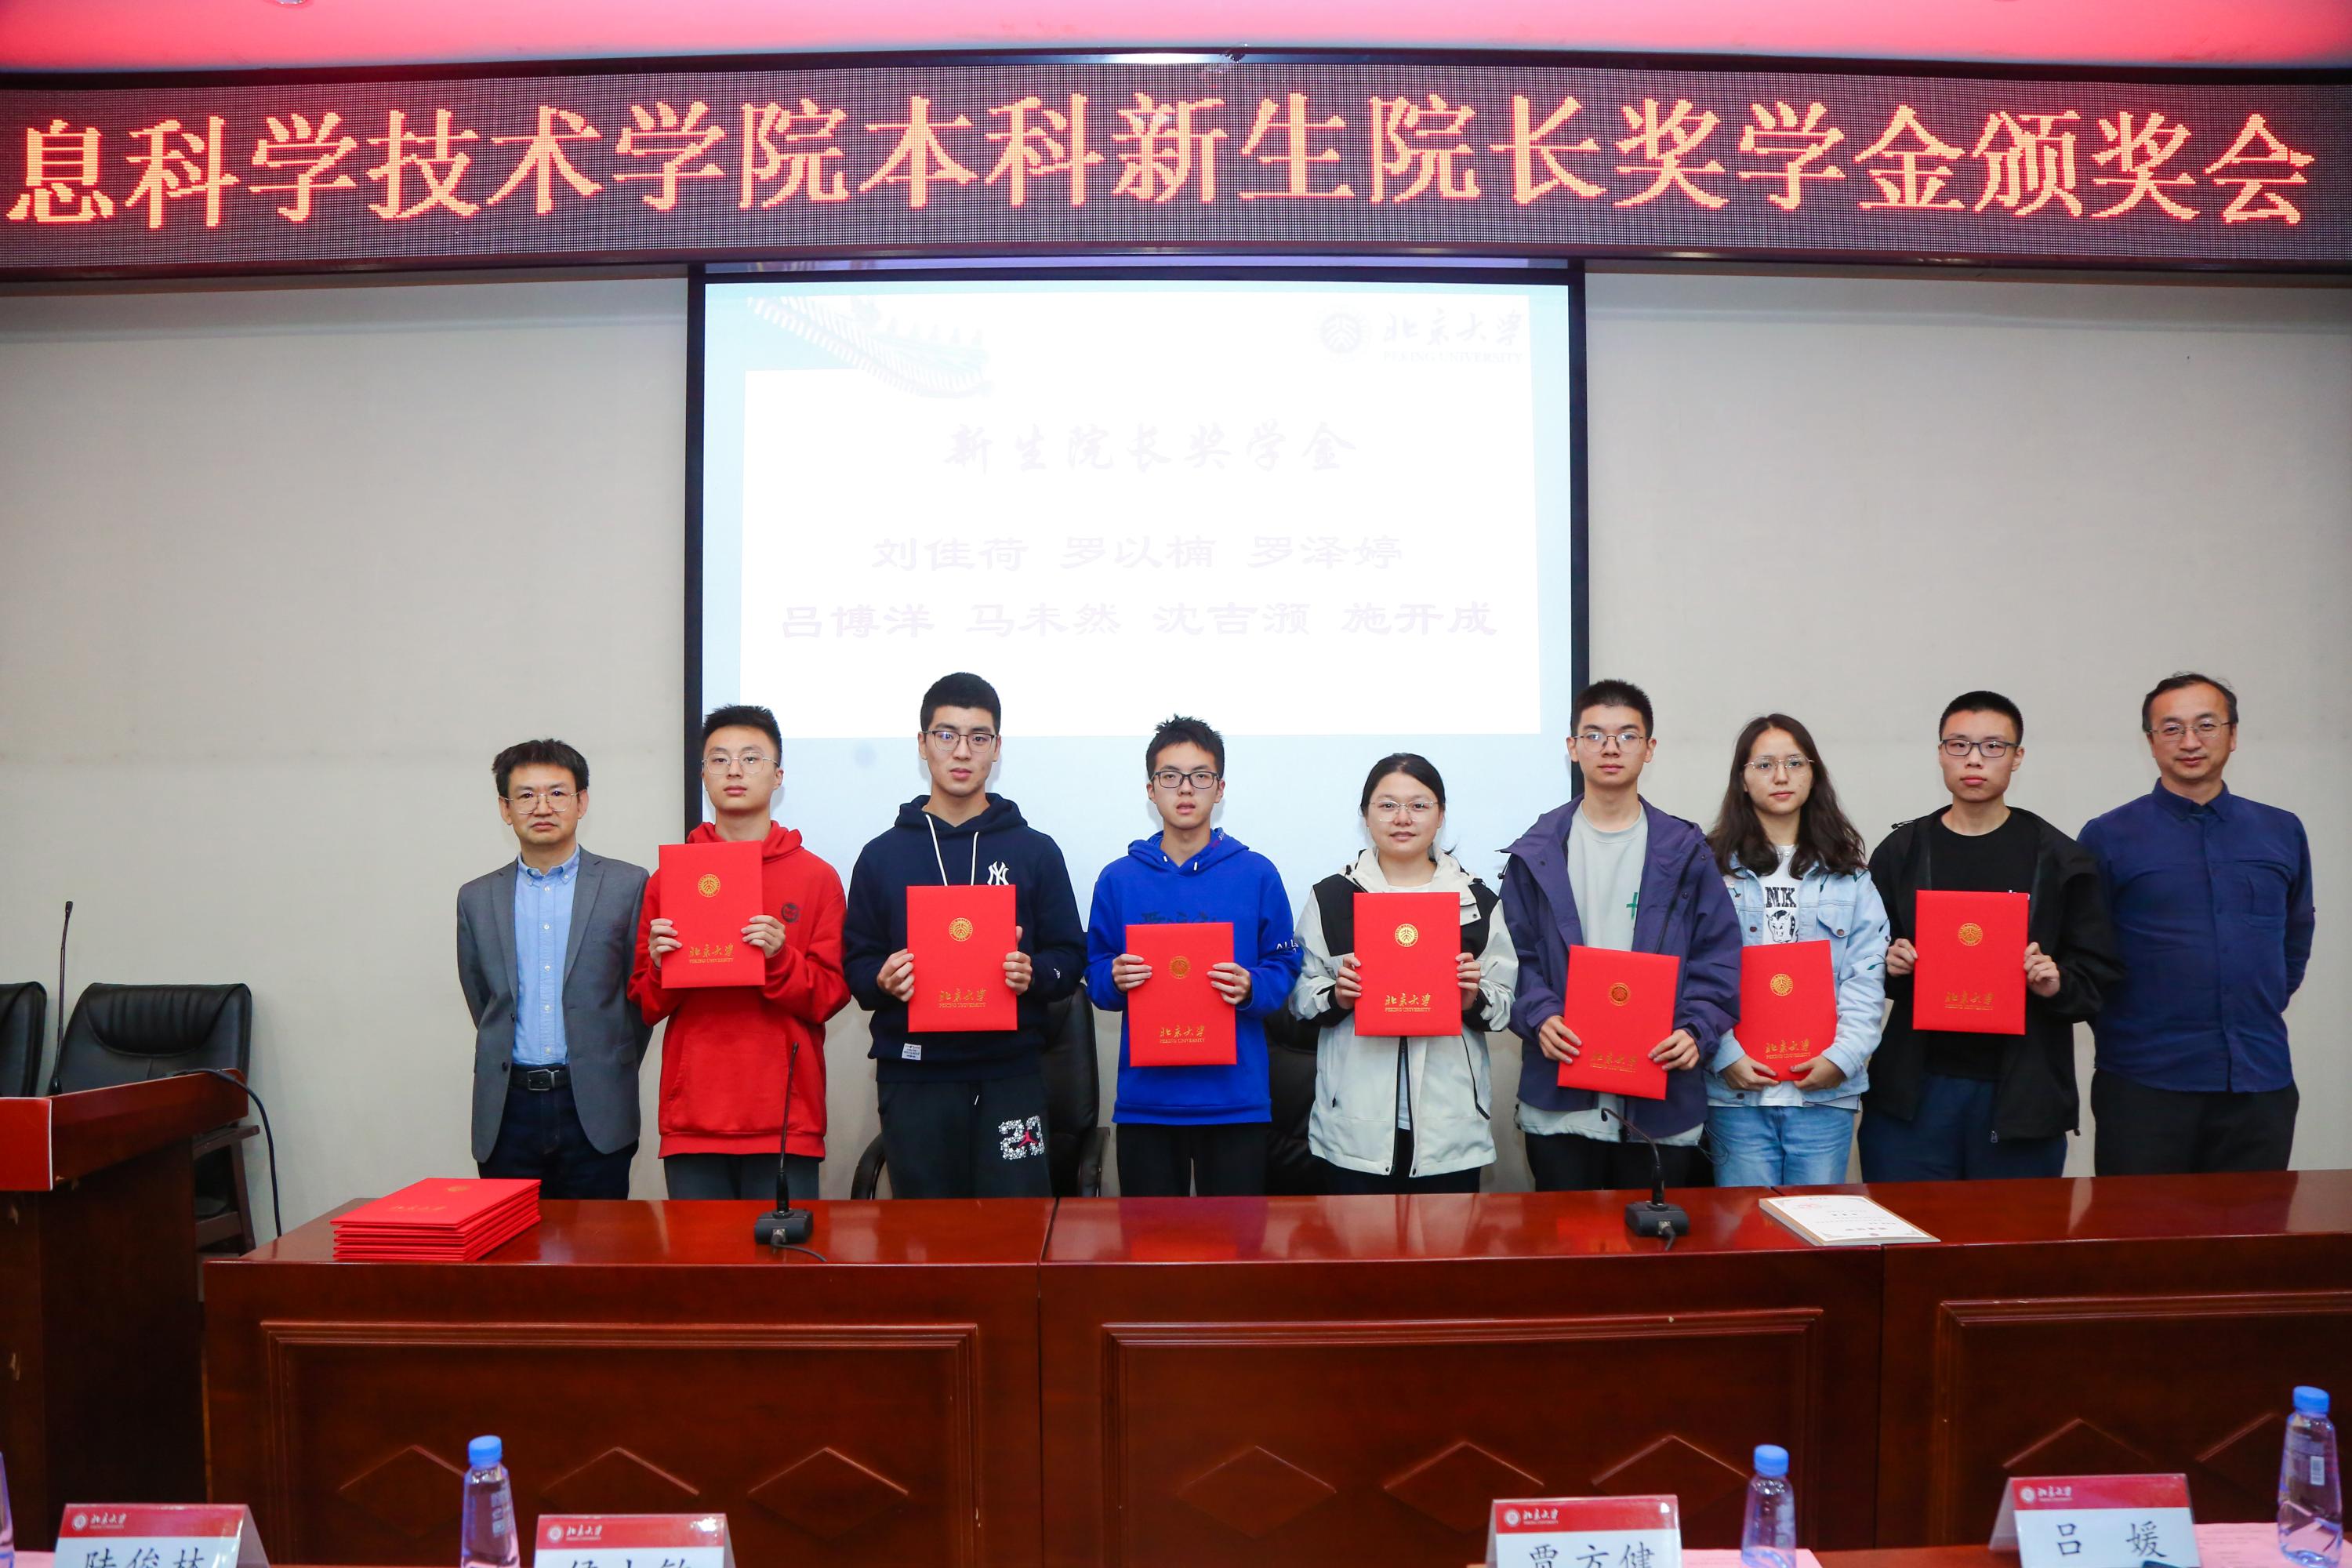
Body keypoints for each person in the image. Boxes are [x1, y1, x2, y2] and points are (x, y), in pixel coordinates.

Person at [1860, 691, 2122, 1181]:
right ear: (1941, 753)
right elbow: (1858, 966)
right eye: (1959, 745)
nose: (1975, 759)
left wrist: (2056, 982)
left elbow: (2099, 976)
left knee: (2013, 1232)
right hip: (1915, 1093)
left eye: (1993, 746)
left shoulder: (2060, 858)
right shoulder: (1902, 851)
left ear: (2017, 757)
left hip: (2021, 1097)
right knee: (1904, 1227)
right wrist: (1889, 964)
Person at [842, 672, 1085, 1198]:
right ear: (923, 743)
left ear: (996, 748)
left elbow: (1070, 957)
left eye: (979, 737)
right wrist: (882, 979)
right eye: (946, 734)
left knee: (1018, 1227)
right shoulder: (882, 856)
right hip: (914, 1076)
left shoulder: (1036, 851)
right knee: (927, 1233)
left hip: (1011, 1076)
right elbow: (857, 966)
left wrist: (1034, 972)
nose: (962, 751)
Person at [1503, 680, 1740, 1192]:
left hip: (1660, 1099)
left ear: (1649, 748)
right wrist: (1540, 1015)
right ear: (1572, 747)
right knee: (1563, 1239)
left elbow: (1719, 956)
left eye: (1627, 736)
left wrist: (1696, 1029)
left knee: (1650, 1241)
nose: (1610, 748)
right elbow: (1514, 957)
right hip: (1561, 1100)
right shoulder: (1537, 851)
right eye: (1594, 735)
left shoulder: (1686, 851)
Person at [2080, 673, 2314, 1174]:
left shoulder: (2281, 830)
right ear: (2151, 742)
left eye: (2206, 725)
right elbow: (2087, 950)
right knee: (2138, 1225)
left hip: (2259, 1079)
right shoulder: (2108, 836)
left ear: (2233, 734)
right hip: (2144, 1082)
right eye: (2172, 728)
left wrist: (2261, 999)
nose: (2190, 742)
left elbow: (2295, 935)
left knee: (2255, 1224)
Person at [630, 704, 849, 1201]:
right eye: (719, 759)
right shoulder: (670, 880)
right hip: (693, 1117)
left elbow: (831, 996)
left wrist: (779, 958)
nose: (734, 771)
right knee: (697, 1254)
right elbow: (645, 1003)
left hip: (786, 1119)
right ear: (703, 775)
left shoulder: (817, 877)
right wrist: (661, 967)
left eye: (751, 759)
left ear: (778, 776)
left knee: (785, 1253)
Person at [1086, 715, 1302, 1196]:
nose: (1185, 789)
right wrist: (1113, 977)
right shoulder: (1119, 879)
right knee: (1149, 1239)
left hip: (1235, 1101)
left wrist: (1252, 986)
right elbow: (1096, 970)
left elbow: (1285, 963)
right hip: (1147, 1102)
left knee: (1236, 1239)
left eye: (1201, 776)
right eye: (1170, 776)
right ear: (1151, 789)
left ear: (1220, 789)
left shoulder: (1257, 874)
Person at [1290, 753, 1518, 1193]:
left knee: (1447, 1239)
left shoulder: (1476, 901)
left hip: (1449, 1129)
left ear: (1441, 815)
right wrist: (1337, 995)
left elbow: (1505, 1002)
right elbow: (1301, 995)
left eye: (1419, 805)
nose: (1403, 818)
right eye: (1388, 805)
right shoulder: (1332, 897)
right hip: (1354, 1127)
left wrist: (1473, 998)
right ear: (1365, 815)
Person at [457, 739, 651, 1199]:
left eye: (558, 793)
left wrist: (605, 1062)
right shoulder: (476, 898)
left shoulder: (628, 885)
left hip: (595, 1105)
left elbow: (639, 998)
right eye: (526, 795)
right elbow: (483, 999)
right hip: (508, 1109)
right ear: (505, 809)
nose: (542, 807)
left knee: (601, 1241)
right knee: (511, 1242)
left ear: (582, 802)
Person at [1703, 714, 1890, 1187]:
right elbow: (1696, 972)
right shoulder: (1710, 870)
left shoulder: (1849, 876)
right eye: (1764, 764)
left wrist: (1843, 1057)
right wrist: (1724, 1055)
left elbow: (1866, 976)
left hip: (1824, 1094)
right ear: (1742, 779)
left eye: (1794, 762)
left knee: (1817, 1226)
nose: (1781, 776)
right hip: (1736, 1092)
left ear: (1813, 773)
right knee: (1743, 1225)